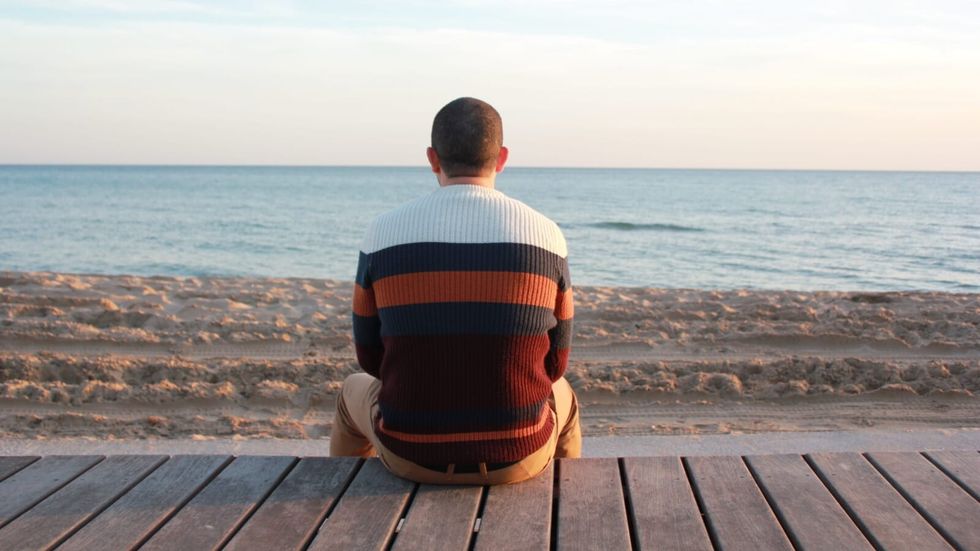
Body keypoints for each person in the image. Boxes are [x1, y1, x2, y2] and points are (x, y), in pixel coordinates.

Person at [330, 97, 581, 484]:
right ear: (502, 158)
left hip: (410, 454)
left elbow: (370, 359)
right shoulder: (545, 235)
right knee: (565, 394)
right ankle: (561, 499)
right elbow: (554, 365)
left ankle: (342, 496)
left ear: (433, 158)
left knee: (351, 392)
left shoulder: (382, 232)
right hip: (517, 457)